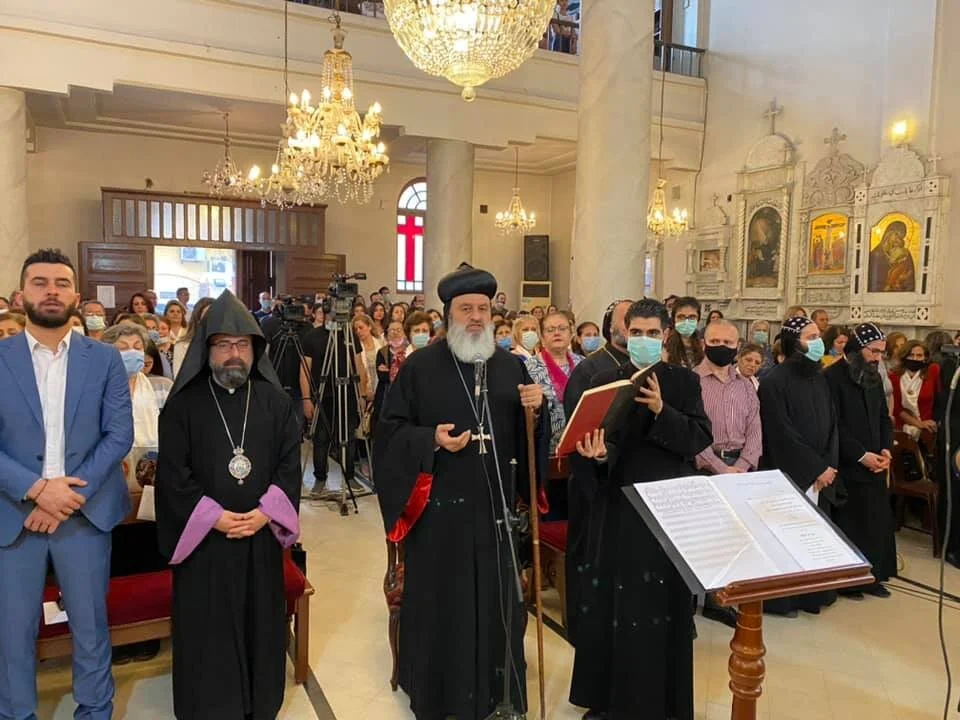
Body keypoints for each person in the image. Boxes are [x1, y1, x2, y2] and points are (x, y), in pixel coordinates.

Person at [374, 263, 546, 720]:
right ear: (448, 315)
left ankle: (498, 692)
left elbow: (530, 444)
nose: (475, 317)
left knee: (497, 604)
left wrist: (538, 411)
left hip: (495, 513)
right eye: (465, 309)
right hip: (440, 516)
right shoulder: (419, 368)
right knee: (442, 607)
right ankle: (440, 691)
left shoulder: (512, 367)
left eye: (483, 309)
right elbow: (388, 434)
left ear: (493, 315)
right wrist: (431, 438)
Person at [0, 248, 133, 720]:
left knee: (91, 625)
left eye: (61, 282)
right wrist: (37, 490)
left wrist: (64, 497)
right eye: (40, 282)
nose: (51, 290)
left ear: (77, 295)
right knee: (12, 630)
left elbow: (120, 433)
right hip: (15, 515)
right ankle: (16, 713)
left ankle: (94, 711)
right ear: (22, 295)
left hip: (84, 512)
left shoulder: (105, 360)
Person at [155, 290, 301, 720]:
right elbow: (172, 475)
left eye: (243, 345)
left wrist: (264, 514)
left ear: (256, 350)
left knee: (260, 623)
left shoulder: (275, 403)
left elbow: (289, 466)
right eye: (223, 345)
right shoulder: (183, 405)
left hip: (259, 540)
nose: (234, 354)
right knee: (209, 629)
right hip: (205, 545)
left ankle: (259, 702)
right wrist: (214, 518)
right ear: (207, 349)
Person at [569, 298, 712, 720]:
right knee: (614, 608)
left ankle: (661, 703)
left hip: (666, 513)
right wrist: (595, 457)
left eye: (653, 334)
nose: (644, 341)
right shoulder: (607, 381)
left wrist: (661, 410)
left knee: (661, 609)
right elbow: (594, 443)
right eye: (637, 333)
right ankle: (609, 701)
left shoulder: (684, 383)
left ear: (666, 336)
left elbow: (699, 438)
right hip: (618, 511)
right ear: (624, 334)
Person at [758, 315, 839, 616]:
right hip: (791, 473)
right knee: (786, 538)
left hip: (821, 474)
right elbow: (781, 432)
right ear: (794, 342)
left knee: (812, 538)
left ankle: (810, 596)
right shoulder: (774, 381)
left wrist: (829, 465)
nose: (816, 342)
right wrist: (814, 468)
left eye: (818, 335)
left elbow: (832, 423)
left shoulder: (820, 376)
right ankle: (784, 600)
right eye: (809, 337)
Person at [563, 299, 632, 649]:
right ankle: (582, 625)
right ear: (611, 326)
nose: (632, 329)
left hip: (624, 479)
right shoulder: (590, 369)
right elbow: (578, 428)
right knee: (586, 553)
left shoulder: (642, 367)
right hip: (590, 478)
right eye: (627, 321)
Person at [823, 323, 896, 598]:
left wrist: (886, 449)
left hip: (876, 461)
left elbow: (882, 417)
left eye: (881, 353)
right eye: (873, 351)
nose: (878, 358)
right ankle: (846, 581)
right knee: (851, 523)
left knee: (874, 522)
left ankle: (871, 576)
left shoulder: (873, 375)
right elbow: (835, 424)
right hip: (848, 462)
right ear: (856, 348)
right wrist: (862, 455)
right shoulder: (832, 377)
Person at [525, 310, 584, 454]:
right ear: (542, 338)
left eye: (562, 329)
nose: (557, 333)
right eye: (550, 330)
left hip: (581, 446)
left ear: (571, 334)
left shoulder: (583, 364)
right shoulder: (529, 367)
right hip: (545, 447)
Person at [890, 340, 941, 439]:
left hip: (928, 429)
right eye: (911, 355)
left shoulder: (933, 371)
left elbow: (939, 399)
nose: (915, 358)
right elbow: (896, 408)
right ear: (904, 356)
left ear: (925, 357)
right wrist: (918, 424)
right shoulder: (894, 376)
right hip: (902, 429)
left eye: (919, 355)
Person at [172, 297, 214, 379]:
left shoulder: (227, 344)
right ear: (197, 319)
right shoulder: (181, 346)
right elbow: (179, 378)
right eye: (207, 314)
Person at [664, 296, 703, 369]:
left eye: (692, 317)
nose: (686, 321)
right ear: (673, 319)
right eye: (681, 317)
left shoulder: (704, 347)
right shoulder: (665, 347)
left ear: (698, 320)